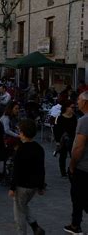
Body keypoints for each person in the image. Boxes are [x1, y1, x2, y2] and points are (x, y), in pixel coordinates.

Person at [8, 118, 46, 235]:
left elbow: (17, 170)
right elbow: (41, 169)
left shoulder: (21, 150)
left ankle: (23, 232)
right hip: (33, 186)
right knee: (23, 205)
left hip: (22, 185)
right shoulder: (39, 149)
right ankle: (35, 226)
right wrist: (41, 185)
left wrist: (12, 187)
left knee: (19, 213)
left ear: (22, 133)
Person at [64, 91, 88, 234]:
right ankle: (75, 224)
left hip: (83, 167)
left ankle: (75, 225)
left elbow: (79, 147)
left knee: (79, 196)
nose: (76, 103)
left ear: (85, 102)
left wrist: (72, 165)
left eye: (78, 100)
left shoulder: (84, 120)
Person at [53, 101, 77, 177]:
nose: (73, 109)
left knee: (73, 156)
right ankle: (63, 172)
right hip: (62, 140)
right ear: (67, 108)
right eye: (72, 107)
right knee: (63, 156)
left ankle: (71, 170)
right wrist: (57, 141)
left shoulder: (74, 117)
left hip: (72, 139)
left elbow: (76, 129)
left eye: (74, 107)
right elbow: (56, 130)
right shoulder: (59, 118)